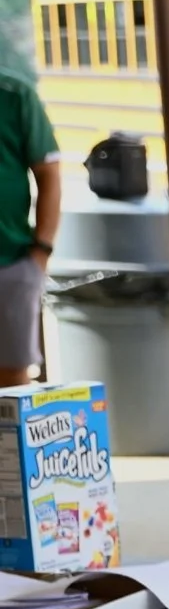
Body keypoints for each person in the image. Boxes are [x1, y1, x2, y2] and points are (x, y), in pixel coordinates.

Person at [0, 68, 62, 389]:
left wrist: (41, 251)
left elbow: (49, 173)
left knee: (10, 378)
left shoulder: (14, 94)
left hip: (10, 260)